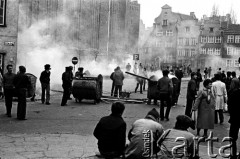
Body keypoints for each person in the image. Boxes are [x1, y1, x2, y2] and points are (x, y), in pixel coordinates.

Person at [227, 85, 240, 159]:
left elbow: (230, 105)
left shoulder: (234, 93)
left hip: (235, 118)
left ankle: (233, 154)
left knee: (232, 137)